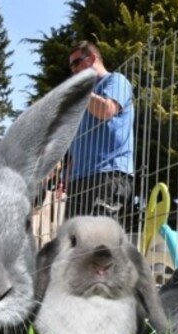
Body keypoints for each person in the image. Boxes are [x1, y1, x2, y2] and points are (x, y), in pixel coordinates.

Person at [64, 40, 135, 220]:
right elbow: (78, 139)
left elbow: (106, 110)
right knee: (74, 244)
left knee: (96, 243)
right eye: (71, 66)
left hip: (108, 176)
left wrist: (81, 90)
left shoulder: (116, 80)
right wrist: (67, 175)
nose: (73, 70)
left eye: (76, 63)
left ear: (92, 58)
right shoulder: (85, 98)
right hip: (79, 180)